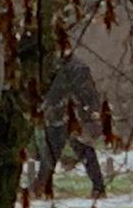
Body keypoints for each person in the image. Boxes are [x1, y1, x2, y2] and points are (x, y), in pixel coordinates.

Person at [35, 54, 106, 197]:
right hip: (62, 114)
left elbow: (86, 91)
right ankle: (41, 186)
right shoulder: (57, 66)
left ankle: (40, 187)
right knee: (55, 150)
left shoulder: (76, 68)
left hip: (73, 115)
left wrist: (90, 109)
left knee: (78, 150)